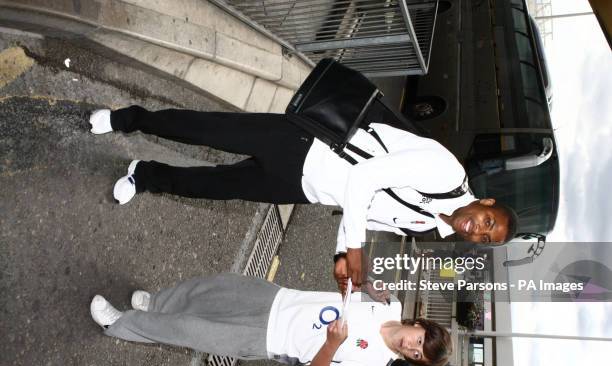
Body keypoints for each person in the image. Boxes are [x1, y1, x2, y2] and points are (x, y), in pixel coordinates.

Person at [89, 106, 518, 289]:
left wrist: (341, 261)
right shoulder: (447, 173)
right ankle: (129, 119)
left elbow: (361, 215)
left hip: (302, 188)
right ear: (487, 205)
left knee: (212, 187)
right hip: (305, 145)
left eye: (484, 240)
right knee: (204, 130)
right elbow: (366, 178)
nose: (477, 232)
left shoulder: (428, 227)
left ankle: (143, 176)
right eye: (487, 225)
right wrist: (354, 251)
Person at [90, 273, 452, 366]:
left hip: (268, 340)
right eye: (419, 342)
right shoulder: (389, 304)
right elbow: (350, 284)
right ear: (419, 326)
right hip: (276, 298)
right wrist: (364, 282)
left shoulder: (373, 365)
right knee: (208, 291)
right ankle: (155, 305)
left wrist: (331, 345)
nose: (411, 347)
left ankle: (118, 324)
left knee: (189, 331)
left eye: (416, 355)